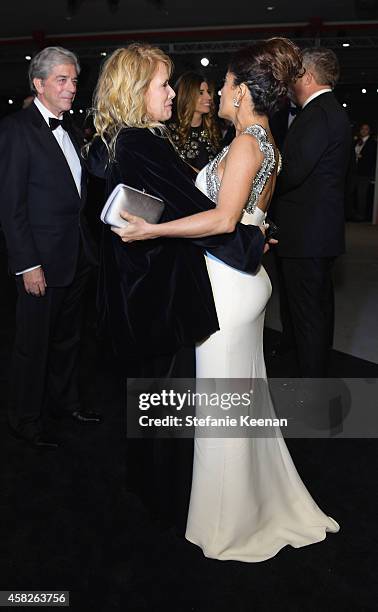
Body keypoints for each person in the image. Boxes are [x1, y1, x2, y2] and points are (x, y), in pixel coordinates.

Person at [115, 38, 339, 562]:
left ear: (242, 92)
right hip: (244, 275)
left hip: (227, 284)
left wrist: (154, 230)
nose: (215, 89)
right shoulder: (259, 138)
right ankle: (245, 502)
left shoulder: (246, 143)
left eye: (226, 83)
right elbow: (245, 216)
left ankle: (227, 520)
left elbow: (220, 219)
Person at [86, 44, 266, 528]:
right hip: (154, 293)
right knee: (164, 399)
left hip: (136, 287)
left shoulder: (127, 138)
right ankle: (163, 502)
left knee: (148, 397)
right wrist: (252, 241)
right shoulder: (141, 143)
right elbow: (193, 210)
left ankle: (148, 489)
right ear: (136, 91)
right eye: (163, 85)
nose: (172, 92)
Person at [0, 46, 100, 450]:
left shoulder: (71, 129)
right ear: (38, 84)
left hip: (76, 256)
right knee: (32, 346)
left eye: (74, 79)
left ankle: (65, 403)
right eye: (62, 79)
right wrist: (27, 264)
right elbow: (10, 207)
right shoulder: (15, 129)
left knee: (68, 340)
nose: (72, 87)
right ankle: (25, 418)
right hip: (40, 263)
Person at [271, 47, 352, 377]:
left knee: (310, 319)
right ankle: (311, 378)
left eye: (293, 74)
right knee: (312, 314)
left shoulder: (317, 114)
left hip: (307, 237)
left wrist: (261, 172)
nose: (289, 80)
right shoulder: (328, 111)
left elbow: (292, 172)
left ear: (306, 76)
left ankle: (312, 390)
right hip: (315, 234)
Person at [167, 71, 221, 170]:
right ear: (187, 95)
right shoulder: (169, 131)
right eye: (201, 93)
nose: (209, 97)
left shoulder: (212, 128)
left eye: (208, 92)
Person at [352, 123, 376, 221]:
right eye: (362, 128)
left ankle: (362, 216)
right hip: (354, 172)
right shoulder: (357, 141)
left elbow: (371, 158)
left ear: (369, 131)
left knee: (362, 195)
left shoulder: (372, 143)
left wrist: (360, 157)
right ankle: (353, 214)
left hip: (364, 174)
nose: (364, 130)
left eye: (366, 129)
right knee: (353, 193)